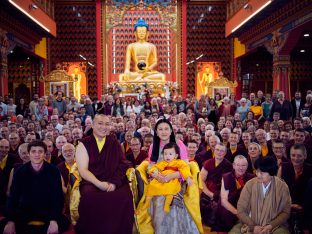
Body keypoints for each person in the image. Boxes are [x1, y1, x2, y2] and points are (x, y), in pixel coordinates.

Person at [75, 114, 134, 234]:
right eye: (100, 123)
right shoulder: (83, 144)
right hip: (91, 181)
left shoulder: (114, 142)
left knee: (125, 197)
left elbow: (123, 164)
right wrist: (99, 184)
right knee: (90, 198)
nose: (104, 127)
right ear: (93, 125)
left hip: (113, 180)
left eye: (107, 124)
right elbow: (83, 170)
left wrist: (114, 183)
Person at [2, 140, 69, 234]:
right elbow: (13, 197)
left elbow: (57, 197)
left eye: (40, 151)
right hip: (25, 212)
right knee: (4, 225)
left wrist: (53, 221)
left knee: (64, 223)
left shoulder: (53, 171)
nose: (37, 154)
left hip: (47, 212)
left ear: (45, 154)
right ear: (29, 154)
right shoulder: (20, 171)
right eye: (33, 151)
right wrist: (11, 221)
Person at [230, 157, 291, 234]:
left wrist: (270, 226)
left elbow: (286, 212)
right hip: (249, 224)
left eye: (262, 173)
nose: (258, 175)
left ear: (271, 173)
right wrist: (253, 226)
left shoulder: (282, 187)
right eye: (257, 171)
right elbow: (241, 210)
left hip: (275, 226)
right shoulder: (250, 184)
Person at [140, 142, 193, 212]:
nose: (167, 156)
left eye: (170, 154)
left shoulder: (179, 162)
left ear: (176, 155)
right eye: (165, 154)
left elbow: (185, 169)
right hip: (161, 178)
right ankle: (146, 204)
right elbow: (155, 167)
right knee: (152, 186)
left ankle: (167, 205)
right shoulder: (162, 163)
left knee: (171, 188)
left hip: (172, 179)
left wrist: (188, 177)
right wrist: (155, 171)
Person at [213, 155, 254, 232]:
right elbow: (224, 201)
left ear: (247, 166)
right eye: (238, 165)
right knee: (226, 215)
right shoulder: (226, 177)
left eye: (243, 165)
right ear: (233, 165)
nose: (241, 168)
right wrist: (238, 213)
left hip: (245, 207)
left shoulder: (252, 178)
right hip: (230, 206)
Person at [200, 143, 232, 227]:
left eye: (222, 151)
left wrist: (217, 195)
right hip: (207, 189)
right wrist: (209, 193)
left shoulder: (228, 165)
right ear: (214, 151)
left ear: (225, 153)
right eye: (217, 150)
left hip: (221, 191)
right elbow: (201, 180)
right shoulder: (208, 163)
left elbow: (227, 184)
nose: (219, 152)